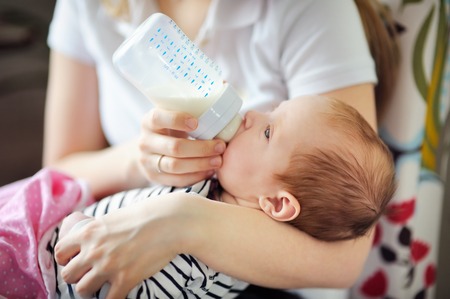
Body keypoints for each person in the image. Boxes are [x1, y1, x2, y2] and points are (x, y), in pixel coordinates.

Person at [41, 0, 399, 298]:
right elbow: (56, 174)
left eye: (269, 130)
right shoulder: (88, 6)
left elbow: (345, 257)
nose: (251, 115)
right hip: (87, 238)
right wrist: (140, 161)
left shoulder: (311, 9)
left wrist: (182, 219)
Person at [0, 95, 395, 298]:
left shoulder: (202, 268)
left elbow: (104, 286)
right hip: (44, 222)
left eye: (269, 132)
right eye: (273, 110)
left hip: (41, 269)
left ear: (277, 203)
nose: (253, 115)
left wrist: (78, 226)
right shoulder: (224, 187)